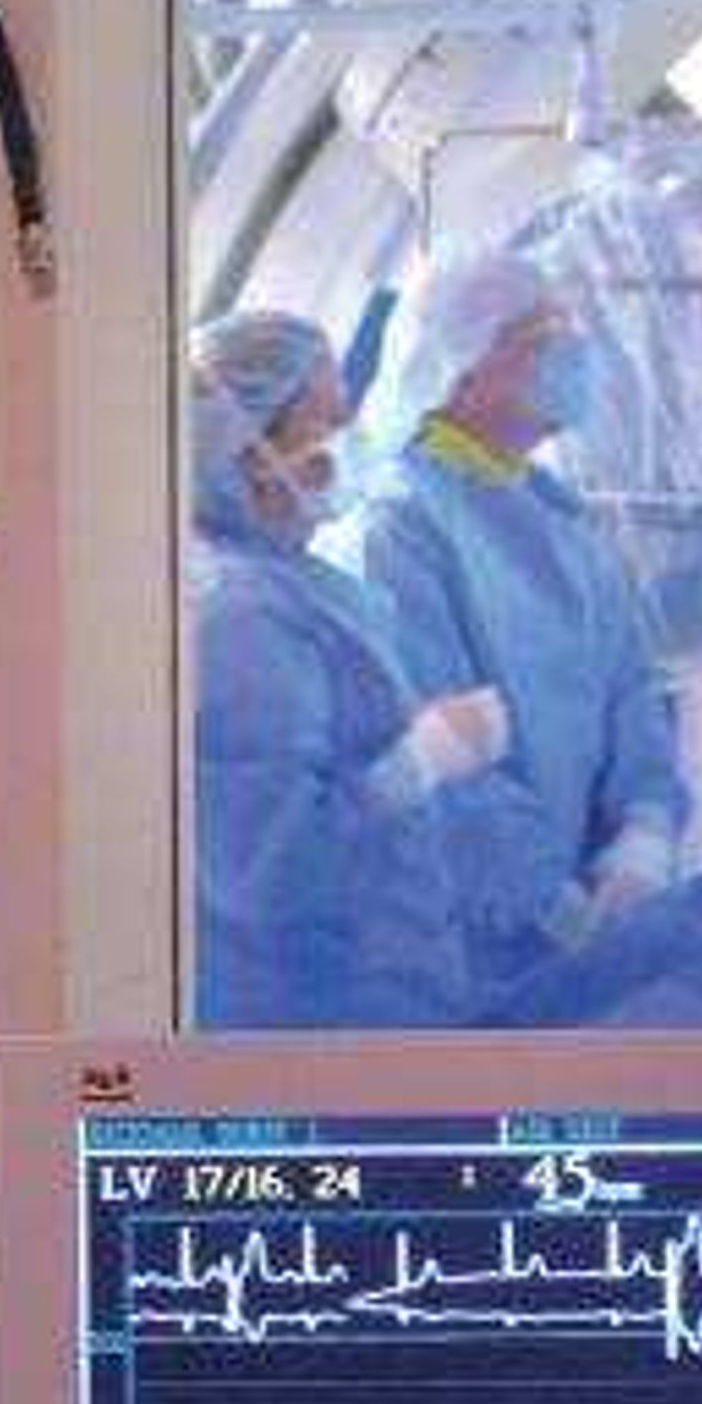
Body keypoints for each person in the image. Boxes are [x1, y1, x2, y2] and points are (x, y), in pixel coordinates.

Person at [341, 250, 690, 979]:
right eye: (539, 339)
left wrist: (644, 836)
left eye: (571, 327)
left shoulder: (560, 516)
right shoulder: (399, 530)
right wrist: (557, 911)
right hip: (473, 948)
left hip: (587, 925)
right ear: (460, 369)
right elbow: (441, 756)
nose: (575, 351)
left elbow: (630, 689)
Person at [189, 308, 510, 1029]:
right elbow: (271, 872)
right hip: (319, 1027)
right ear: (241, 447)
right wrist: (421, 761)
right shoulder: (238, 619)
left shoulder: (295, 580)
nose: (348, 441)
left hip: (388, 998)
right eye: (326, 420)